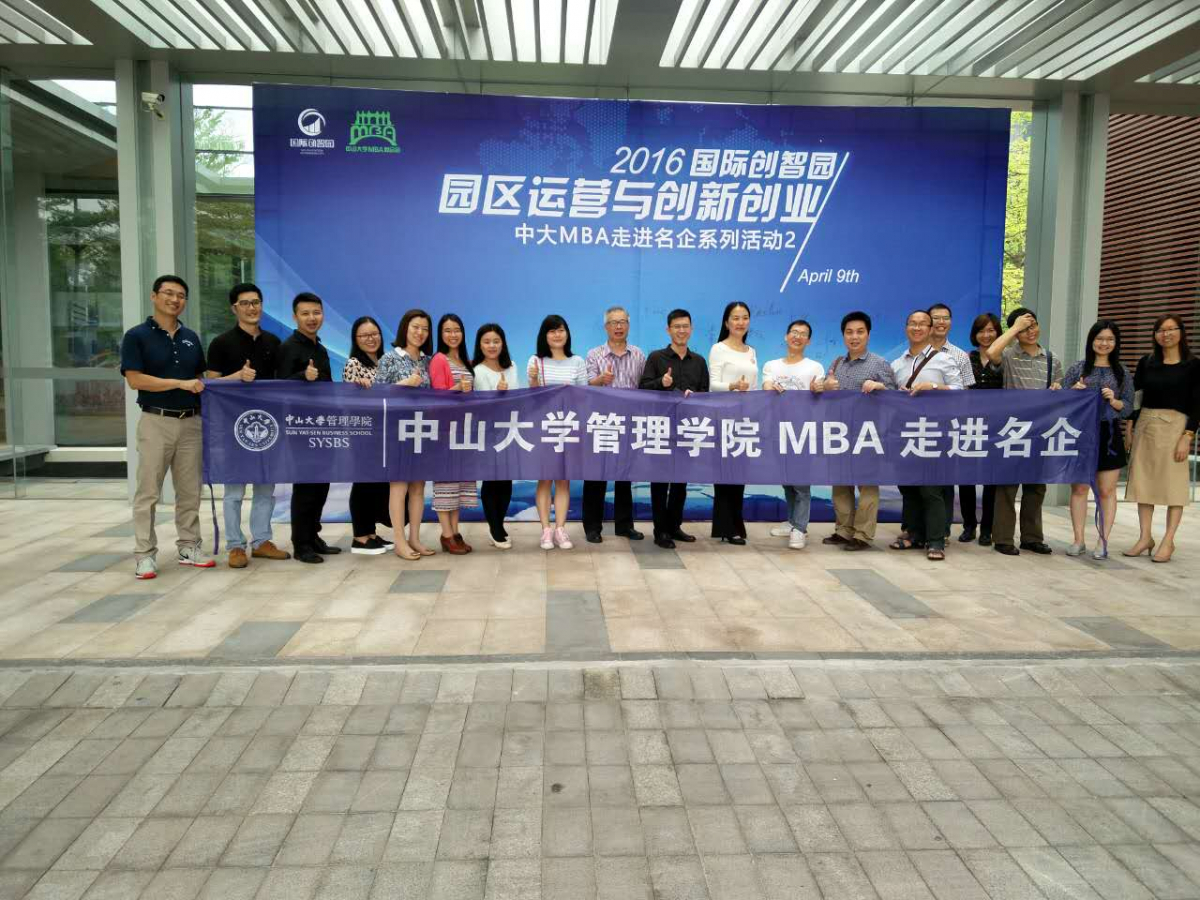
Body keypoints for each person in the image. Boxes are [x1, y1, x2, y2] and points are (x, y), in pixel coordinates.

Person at [120, 274, 214, 579]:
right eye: (169, 293)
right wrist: (179, 383)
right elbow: (135, 380)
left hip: (191, 423)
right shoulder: (136, 336)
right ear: (154, 296)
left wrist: (234, 379)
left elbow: (200, 380)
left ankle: (189, 546)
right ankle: (144, 554)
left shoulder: (191, 337)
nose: (175, 300)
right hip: (156, 422)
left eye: (181, 295)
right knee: (148, 492)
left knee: (190, 491)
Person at [205, 282, 289, 568]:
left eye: (256, 302)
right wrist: (236, 377)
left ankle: (262, 541)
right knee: (234, 492)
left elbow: (283, 384)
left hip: (268, 426)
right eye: (245, 303)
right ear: (234, 308)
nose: (252, 308)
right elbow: (210, 384)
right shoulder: (221, 343)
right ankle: (235, 546)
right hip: (233, 428)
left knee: (265, 487)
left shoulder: (274, 343)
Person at [812, 311, 897, 550]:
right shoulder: (837, 363)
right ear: (843, 336)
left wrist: (879, 386)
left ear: (868, 334)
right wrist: (823, 387)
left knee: (867, 485)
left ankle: (862, 534)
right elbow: (824, 391)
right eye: (849, 332)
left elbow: (895, 396)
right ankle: (843, 530)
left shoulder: (879, 363)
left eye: (860, 332)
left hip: (868, 434)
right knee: (840, 483)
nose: (854, 337)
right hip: (840, 433)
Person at [984, 307, 1063, 556]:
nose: (1031, 332)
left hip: (1041, 429)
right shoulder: (1008, 355)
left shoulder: (1051, 359)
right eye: (1024, 328)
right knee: (1007, 486)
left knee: (1036, 487)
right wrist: (1015, 327)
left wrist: (1058, 388)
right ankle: (1003, 538)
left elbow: (1059, 390)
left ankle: (1032, 537)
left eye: (1033, 326)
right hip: (1013, 429)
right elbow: (991, 353)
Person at [1123, 314, 1200, 564]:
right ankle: (1145, 537)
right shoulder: (1146, 362)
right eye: (1160, 330)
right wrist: (1130, 427)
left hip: (1176, 428)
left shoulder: (1193, 365)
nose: (1166, 334)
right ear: (1155, 335)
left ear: (1181, 332)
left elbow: (1197, 404)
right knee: (1143, 483)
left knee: (1173, 486)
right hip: (1146, 424)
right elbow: (1137, 396)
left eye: (1171, 329)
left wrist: (1187, 436)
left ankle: (1168, 540)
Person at [889, 310, 964, 562]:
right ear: (906, 328)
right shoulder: (897, 364)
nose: (917, 327)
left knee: (931, 489)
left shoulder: (944, 360)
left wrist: (933, 387)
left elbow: (960, 391)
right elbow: (890, 397)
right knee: (909, 488)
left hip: (936, 433)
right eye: (912, 323)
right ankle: (913, 533)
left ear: (930, 329)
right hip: (906, 433)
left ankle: (936, 540)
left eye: (923, 324)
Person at [277, 292, 340, 565]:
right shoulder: (288, 347)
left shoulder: (321, 349)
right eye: (305, 313)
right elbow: (278, 386)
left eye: (316, 312)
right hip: (300, 428)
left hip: (323, 425)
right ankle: (301, 543)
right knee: (305, 486)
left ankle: (314, 536)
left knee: (321, 484)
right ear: (295, 317)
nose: (312, 318)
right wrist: (303, 376)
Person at [1064, 319, 1134, 560]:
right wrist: (1073, 392)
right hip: (1081, 433)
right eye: (1100, 338)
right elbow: (1061, 402)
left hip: (1109, 433)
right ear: (1091, 340)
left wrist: (1114, 400)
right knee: (1080, 487)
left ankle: (1103, 541)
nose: (1104, 343)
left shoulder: (1121, 371)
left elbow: (1128, 408)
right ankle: (1078, 540)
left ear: (1116, 343)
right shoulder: (1078, 368)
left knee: (1106, 490)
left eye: (1110, 339)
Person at [640, 308, 710, 549]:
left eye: (685, 326)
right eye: (677, 326)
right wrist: (662, 382)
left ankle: (674, 526)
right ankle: (660, 530)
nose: (681, 330)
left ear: (691, 329)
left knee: (681, 482)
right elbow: (642, 388)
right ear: (668, 330)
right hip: (661, 428)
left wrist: (695, 395)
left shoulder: (699, 361)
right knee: (660, 482)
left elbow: (706, 394)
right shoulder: (656, 358)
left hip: (688, 429)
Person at [376, 309, 436, 561]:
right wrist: (404, 385)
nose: (420, 332)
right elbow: (376, 394)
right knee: (398, 487)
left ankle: (415, 538)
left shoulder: (428, 361)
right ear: (405, 328)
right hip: (396, 430)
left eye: (425, 329)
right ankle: (399, 541)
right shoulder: (390, 358)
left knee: (418, 487)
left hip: (422, 429)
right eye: (415, 327)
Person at [583, 306, 647, 544]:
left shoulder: (638, 355)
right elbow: (586, 386)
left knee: (624, 477)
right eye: (613, 322)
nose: (618, 326)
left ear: (628, 325)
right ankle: (592, 527)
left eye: (622, 322)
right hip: (602, 423)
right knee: (596, 477)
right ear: (606, 327)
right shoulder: (594, 354)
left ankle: (624, 525)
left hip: (629, 423)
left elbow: (645, 388)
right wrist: (601, 380)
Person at [762, 319, 825, 550]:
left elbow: (820, 388)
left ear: (808, 341)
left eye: (803, 334)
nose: (797, 336)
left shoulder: (814, 367)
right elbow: (766, 385)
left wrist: (819, 388)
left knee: (801, 483)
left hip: (803, 432)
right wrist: (769, 387)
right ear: (786, 336)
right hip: (777, 430)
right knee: (787, 480)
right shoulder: (771, 365)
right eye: (794, 332)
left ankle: (800, 529)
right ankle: (791, 521)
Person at [527, 314, 588, 550]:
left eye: (561, 330)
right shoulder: (536, 360)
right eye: (552, 331)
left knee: (563, 480)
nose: (557, 335)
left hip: (569, 427)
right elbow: (531, 397)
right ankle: (545, 530)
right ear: (544, 335)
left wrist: (570, 394)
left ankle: (561, 529)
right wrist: (533, 381)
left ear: (567, 334)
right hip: (544, 427)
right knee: (544, 479)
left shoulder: (577, 361)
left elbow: (584, 397)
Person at [343, 316, 394, 555]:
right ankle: (360, 536)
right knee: (363, 483)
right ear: (356, 339)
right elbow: (348, 400)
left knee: (376, 484)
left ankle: (371, 533)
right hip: (363, 433)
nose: (370, 339)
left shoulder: (385, 362)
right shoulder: (353, 363)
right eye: (364, 335)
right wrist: (360, 388)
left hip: (384, 434)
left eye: (374, 334)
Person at [429, 313, 479, 555]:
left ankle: (455, 532)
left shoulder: (466, 361)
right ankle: (446, 534)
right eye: (447, 330)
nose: (453, 334)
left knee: (459, 485)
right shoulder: (439, 359)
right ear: (440, 334)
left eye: (457, 330)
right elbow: (438, 397)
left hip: (464, 431)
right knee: (445, 484)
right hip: (445, 431)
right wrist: (458, 388)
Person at [708, 302, 758, 545]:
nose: (740, 322)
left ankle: (736, 524)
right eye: (735, 318)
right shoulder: (719, 349)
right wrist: (733, 386)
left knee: (739, 475)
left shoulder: (751, 351)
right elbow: (712, 385)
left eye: (744, 317)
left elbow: (754, 387)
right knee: (724, 475)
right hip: (723, 418)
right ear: (726, 322)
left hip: (746, 419)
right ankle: (725, 527)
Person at [928, 302, 976, 542]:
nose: (941, 322)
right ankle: (916, 527)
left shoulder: (960, 356)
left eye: (945, 318)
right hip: (919, 426)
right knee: (916, 480)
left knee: (945, 481)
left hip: (949, 425)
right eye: (936, 318)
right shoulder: (915, 352)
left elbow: (965, 392)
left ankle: (943, 530)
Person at [472, 323, 519, 550]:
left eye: (496, 341)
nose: (492, 346)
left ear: (503, 344)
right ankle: (495, 528)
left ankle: (499, 523)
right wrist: (498, 395)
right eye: (487, 342)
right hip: (488, 432)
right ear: (480, 345)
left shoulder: (512, 366)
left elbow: (518, 397)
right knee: (491, 480)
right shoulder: (477, 370)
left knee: (506, 480)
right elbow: (479, 405)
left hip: (510, 430)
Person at [962, 313, 1004, 545]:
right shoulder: (966, 358)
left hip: (998, 426)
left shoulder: (1004, 358)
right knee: (966, 478)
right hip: (969, 425)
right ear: (974, 334)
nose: (986, 335)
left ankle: (988, 528)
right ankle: (969, 526)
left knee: (991, 479)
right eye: (981, 331)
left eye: (991, 330)